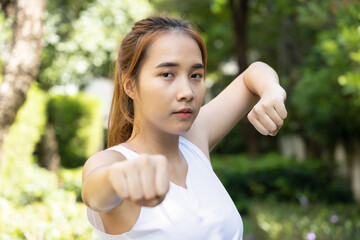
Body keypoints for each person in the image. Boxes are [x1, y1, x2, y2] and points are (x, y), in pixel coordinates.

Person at [81, 16, 287, 240]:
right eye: (167, 74)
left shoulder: (194, 141)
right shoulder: (114, 162)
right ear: (130, 85)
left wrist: (272, 90)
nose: (187, 92)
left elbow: (254, 73)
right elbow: (95, 192)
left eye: (195, 75)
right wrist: (119, 178)